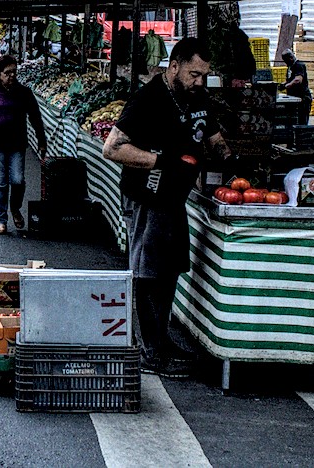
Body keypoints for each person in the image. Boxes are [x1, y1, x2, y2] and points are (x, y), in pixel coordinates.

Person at [102, 38, 232, 379]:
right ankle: (151, 352)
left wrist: (233, 163)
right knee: (148, 271)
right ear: (174, 66)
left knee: (170, 269)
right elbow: (112, 149)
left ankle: (162, 340)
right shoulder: (148, 99)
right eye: (193, 74)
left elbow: (213, 139)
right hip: (147, 196)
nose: (199, 81)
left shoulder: (197, 97)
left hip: (175, 198)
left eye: (204, 75)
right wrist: (160, 161)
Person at [0, 54, 47, 234]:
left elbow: (35, 117)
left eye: (14, 72)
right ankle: (2, 221)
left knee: (17, 180)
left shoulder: (24, 92)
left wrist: (42, 141)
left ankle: (15, 207)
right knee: (1, 184)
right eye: (7, 73)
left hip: (17, 144)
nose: (12, 75)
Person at [281, 49, 312, 125]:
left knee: (302, 122)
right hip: (294, 98)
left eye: (286, 61)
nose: (285, 63)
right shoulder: (290, 67)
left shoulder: (299, 65)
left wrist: (287, 85)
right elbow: (290, 79)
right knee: (292, 121)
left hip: (302, 98)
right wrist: (282, 84)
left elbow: (298, 80)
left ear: (291, 58)